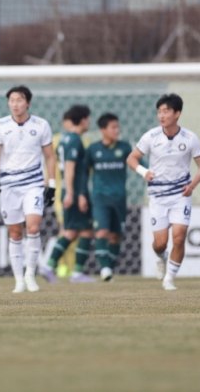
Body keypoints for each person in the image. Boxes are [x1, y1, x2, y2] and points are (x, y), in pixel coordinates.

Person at [127, 94, 200, 290]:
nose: (161, 116)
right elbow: (132, 159)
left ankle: (169, 278)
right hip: (157, 196)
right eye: (159, 112)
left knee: (179, 236)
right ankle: (161, 257)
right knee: (160, 243)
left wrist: (192, 186)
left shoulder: (189, 138)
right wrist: (144, 171)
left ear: (177, 113)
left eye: (166, 111)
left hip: (181, 194)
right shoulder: (151, 137)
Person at [0, 85, 57, 293]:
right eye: (12, 100)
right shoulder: (0, 125)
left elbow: (50, 156)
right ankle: (18, 279)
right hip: (9, 185)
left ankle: (30, 274)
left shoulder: (41, 125)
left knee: (33, 227)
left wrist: (51, 184)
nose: (15, 104)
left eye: (19, 100)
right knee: (15, 232)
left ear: (27, 102)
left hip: (33, 184)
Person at [42, 105, 96, 283]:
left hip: (71, 190)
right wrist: (73, 193)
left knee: (77, 231)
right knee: (78, 231)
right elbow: (71, 168)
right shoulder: (74, 140)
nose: (89, 122)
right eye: (87, 119)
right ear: (82, 120)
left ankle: (54, 267)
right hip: (75, 191)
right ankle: (68, 270)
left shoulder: (65, 140)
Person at [85, 113, 132, 281]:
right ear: (103, 130)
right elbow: (83, 174)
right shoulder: (93, 149)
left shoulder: (125, 148)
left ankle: (109, 270)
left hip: (119, 198)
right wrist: (82, 195)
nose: (117, 130)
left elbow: (139, 164)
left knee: (116, 236)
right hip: (100, 198)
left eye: (118, 127)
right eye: (113, 127)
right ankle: (104, 268)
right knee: (102, 231)